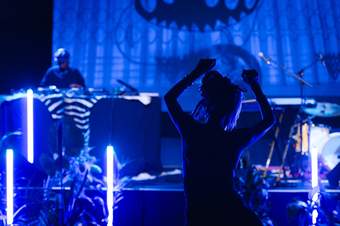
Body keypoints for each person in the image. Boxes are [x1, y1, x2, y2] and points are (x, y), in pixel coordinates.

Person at [164, 59, 275, 226]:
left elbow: (170, 98)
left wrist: (197, 72)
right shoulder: (233, 139)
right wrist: (254, 85)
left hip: (199, 214)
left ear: (207, 104)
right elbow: (269, 120)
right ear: (232, 107)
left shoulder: (191, 131)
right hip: (229, 211)